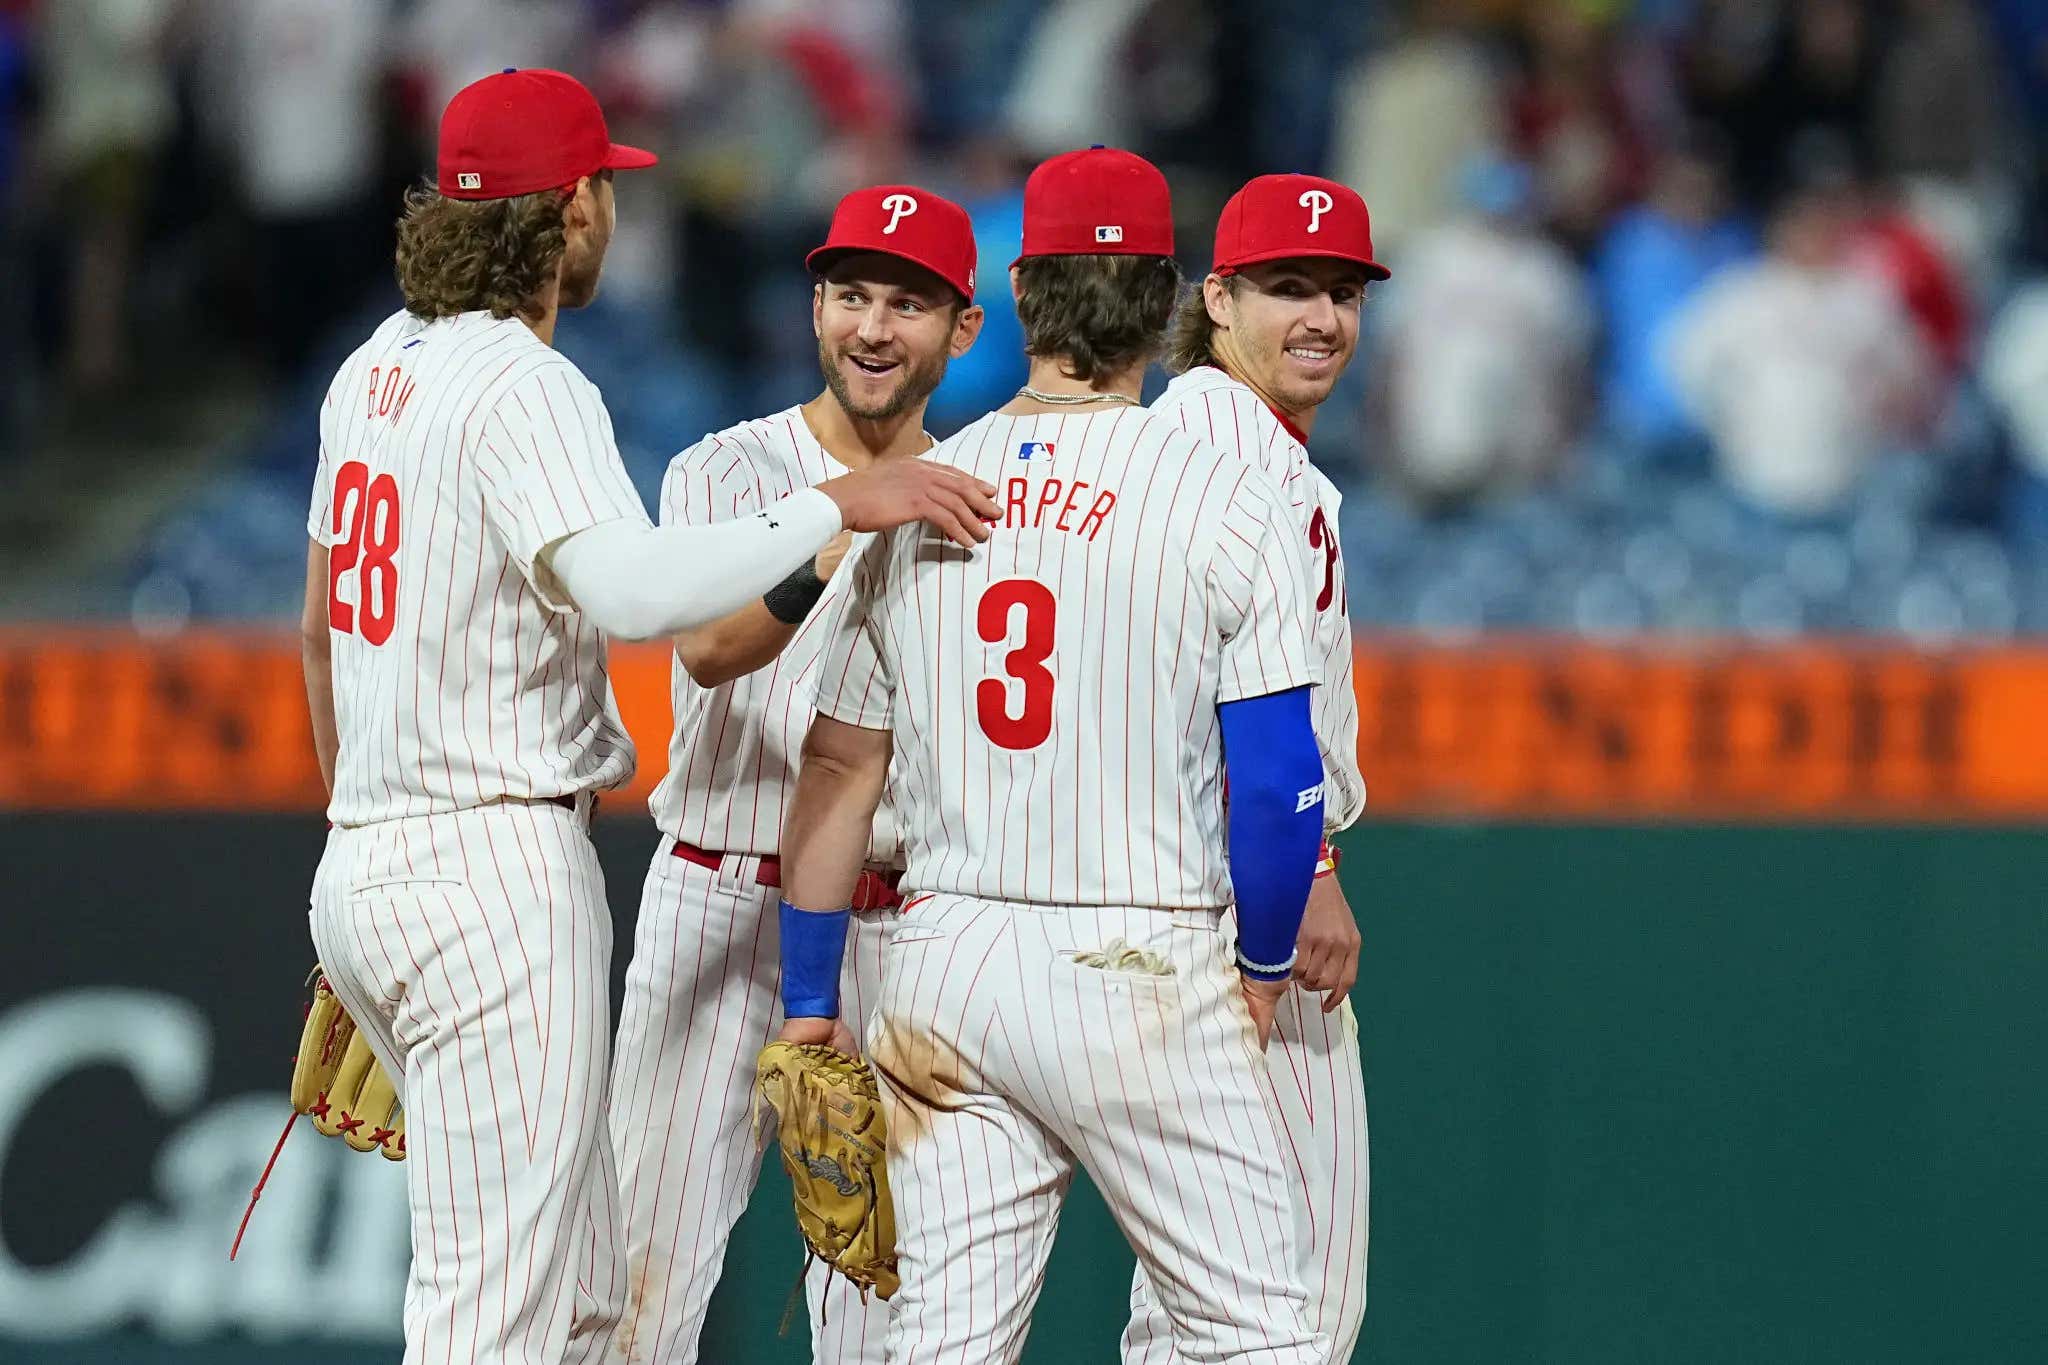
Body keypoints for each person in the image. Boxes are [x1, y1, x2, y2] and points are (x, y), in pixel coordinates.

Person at [299, 69, 997, 1364]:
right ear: (569, 210)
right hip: (511, 866)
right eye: (604, 186)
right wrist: (837, 511)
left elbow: (317, 627)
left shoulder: (372, 368)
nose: (613, 210)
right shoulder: (529, 385)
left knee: (564, 1298)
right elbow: (641, 601)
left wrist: (357, 867)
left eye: (905, 299)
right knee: (515, 1309)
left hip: (398, 852)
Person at [774, 145, 1329, 1363]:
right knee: (1263, 1336)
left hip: (945, 963)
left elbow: (835, 770)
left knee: (941, 1348)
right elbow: (1283, 780)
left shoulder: (921, 489)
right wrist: (1266, 959)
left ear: (1022, 294)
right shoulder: (1224, 492)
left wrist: (811, 1000)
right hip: (1135, 955)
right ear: (1171, 298)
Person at [606, 183, 984, 1365]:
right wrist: (838, 517)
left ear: (961, 329)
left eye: (908, 304)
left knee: (879, 1314)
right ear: (815, 307)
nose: (874, 327)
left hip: (887, 926)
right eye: (851, 295)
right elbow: (713, 653)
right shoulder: (724, 470)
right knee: (636, 1284)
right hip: (714, 899)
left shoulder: (978, 495)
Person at [1142, 169, 1383, 1363]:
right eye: (1288, 288)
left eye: (1339, 291)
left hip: (1206, 886)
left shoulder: (1229, 435)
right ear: (1217, 296)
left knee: (1209, 1296)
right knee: (1286, 1301)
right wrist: (1309, 871)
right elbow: (1209, 701)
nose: (1321, 319)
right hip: (1244, 905)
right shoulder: (1216, 443)